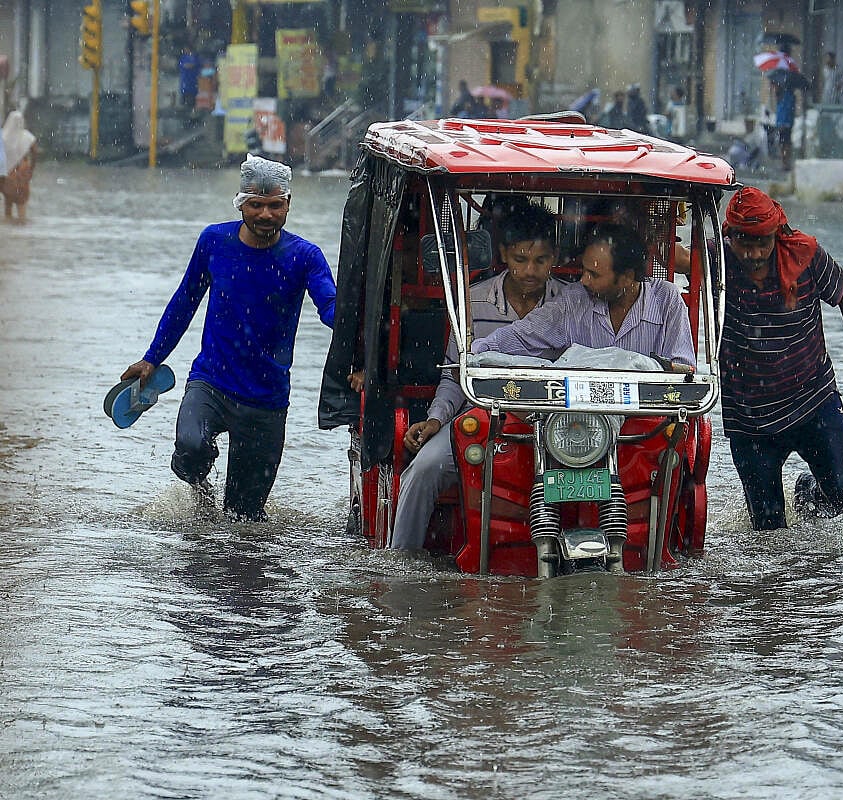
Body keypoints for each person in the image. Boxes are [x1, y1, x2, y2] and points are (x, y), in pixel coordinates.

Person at [119, 155, 336, 521]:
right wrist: (151, 357)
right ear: (240, 204)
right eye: (256, 205)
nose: (265, 214)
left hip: (266, 397)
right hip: (211, 382)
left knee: (244, 518)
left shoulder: (305, 257)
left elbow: (330, 307)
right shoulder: (214, 241)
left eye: (274, 205)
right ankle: (201, 496)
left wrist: (360, 334)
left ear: (288, 205)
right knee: (189, 449)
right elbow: (184, 301)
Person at [385, 202, 567, 551]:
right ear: (503, 254)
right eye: (520, 259)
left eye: (540, 261)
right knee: (424, 470)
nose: (529, 271)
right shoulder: (473, 302)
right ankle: (400, 560)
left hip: (552, 426)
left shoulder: (571, 304)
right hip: (479, 421)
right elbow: (455, 376)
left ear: (554, 257)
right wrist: (436, 420)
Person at [716, 186, 843, 529]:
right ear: (730, 235)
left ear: (777, 235)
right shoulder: (717, 262)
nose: (754, 254)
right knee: (769, 533)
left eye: (762, 243)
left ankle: (806, 493)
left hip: (812, 400)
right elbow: (669, 258)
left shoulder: (806, 256)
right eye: (745, 243)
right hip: (750, 419)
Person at [471, 222, 695, 370]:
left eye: (594, 274)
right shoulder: (575, 299)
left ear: (627, 277)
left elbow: (683, 370)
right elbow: (523, 335)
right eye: (584, 271)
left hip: (647, 423)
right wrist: (475, 353)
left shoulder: (666, 299)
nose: (584, 280)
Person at [2, 110, 36, 222]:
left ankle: (10, 228)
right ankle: (21, 227)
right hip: (22, 171)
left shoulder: (3, 136)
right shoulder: (28, 137)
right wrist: (31, 169)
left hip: (7, 173)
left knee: (8, 202)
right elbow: (35, 152)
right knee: (22, 202)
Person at [177, 44, 201, 109]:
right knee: (185, 100)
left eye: (186, 49)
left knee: (192, 100)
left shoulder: (196, 57)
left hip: (192, 83)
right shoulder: (183, 58)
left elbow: (195, 65)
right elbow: (182, 66)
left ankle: (191, 110)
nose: (185, 50)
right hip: (185, 83)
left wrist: (190, 65)